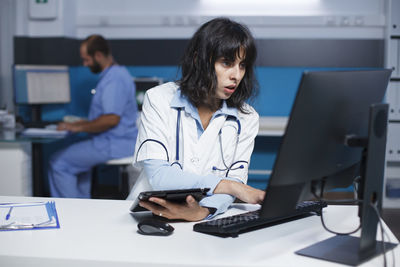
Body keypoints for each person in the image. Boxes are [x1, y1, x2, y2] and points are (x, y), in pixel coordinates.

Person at [131, 18, 265, 221]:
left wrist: (203, 211)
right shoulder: (158, 99)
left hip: (206, 217)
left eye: (242, 65)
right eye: (227, 63)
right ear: (198, 59)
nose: (236, 75)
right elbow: (159, 176)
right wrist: (230, 186)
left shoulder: (247, 118)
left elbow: (236, 179)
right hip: (149, 213)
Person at [48, 35, 138, 198]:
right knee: (78, 165)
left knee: (59, 163)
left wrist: (77, 127)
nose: (85, 64)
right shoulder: (116, 74)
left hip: (114, 143)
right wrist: (84, 123)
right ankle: (83, 208)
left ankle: (69, 212)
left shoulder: (114, 79)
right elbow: (109, 116)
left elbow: (112, 119)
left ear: (98, 55)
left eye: (86, 60)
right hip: (116, 140)